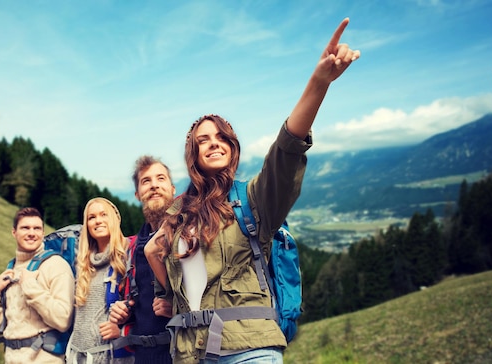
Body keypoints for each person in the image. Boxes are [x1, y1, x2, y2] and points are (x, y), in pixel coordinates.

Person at [144, 18, 360, 363]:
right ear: (194, 155)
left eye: (221, 137)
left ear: (232, 146)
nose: (213, 144)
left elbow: (285, 152)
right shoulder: (177, 215)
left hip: (248, 350)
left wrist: (319, 83)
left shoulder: (254, 200)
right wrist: (157, 263)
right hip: (190, 353)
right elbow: (164, 275)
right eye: (203, 141)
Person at [0, 207, 75, 363]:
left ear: (43, 232)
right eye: (25, 228)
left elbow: (63, 320)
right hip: (12, 358)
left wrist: (31, 288)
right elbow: (0, 326)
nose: (32, 233)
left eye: (37, 228)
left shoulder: (56, 265)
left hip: (45, 359)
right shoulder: (10, 270)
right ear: (14, 232)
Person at [108, 156, 177, 364]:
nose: (154, 185)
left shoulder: (189, 236)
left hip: (184, 354)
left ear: (173, 189)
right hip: (143, 356)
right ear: (138, 194)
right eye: (146, 181)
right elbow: (139, 301)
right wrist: (124, 312)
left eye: (160, 178)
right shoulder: (133, 248)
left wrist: (177, 307)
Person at [66, 197, 134, 364]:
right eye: (92, 217)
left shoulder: (129, 256)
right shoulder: (83, 263)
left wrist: (124, 330)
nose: (98, 221)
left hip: (112, 356)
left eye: (104, 214)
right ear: (86, 225)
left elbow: (145, 307)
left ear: (116, 219)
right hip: (78, 355)